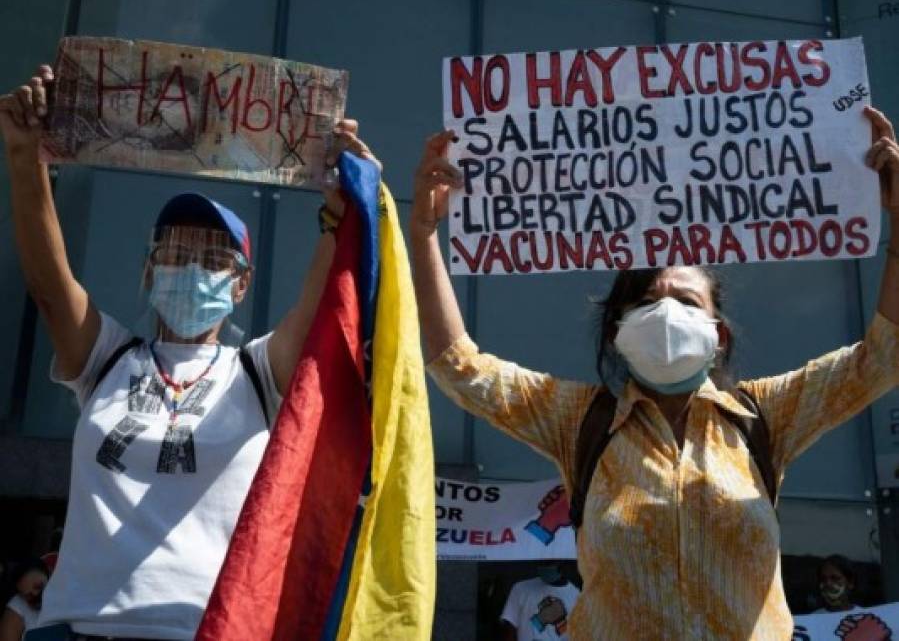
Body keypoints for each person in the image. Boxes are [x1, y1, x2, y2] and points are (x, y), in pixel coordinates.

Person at [409, 106, 899, 639]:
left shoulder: (765, 415)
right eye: (646, 301)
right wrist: (424, 234)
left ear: (719, 336)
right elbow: (459, 367)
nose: (666, 315)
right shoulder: (578, 420)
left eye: (686, 301)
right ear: (618, 332)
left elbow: (883, 357)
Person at [0, 65, 377, 640]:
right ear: (150, 270)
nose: (192, 268)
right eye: (175, 253)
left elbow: (321, 307)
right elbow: (50, 291)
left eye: (215, 260)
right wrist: (25, 157)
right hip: (76, 629)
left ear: (241, 285)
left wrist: (340, 210)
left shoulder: (256, 372)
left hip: (210, 629)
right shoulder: (106, 358)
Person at [500, 563, 580, 641]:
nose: (545, 564)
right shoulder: (521, 589)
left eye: (550, 562)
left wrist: (560, 621)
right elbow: (510, 631)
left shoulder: (577, 596)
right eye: (542, 562)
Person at [0, 559, 49, 641]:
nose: (36, 594)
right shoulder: (18, 606)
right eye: (28, 595)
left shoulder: (67, 599)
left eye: (38, 587)